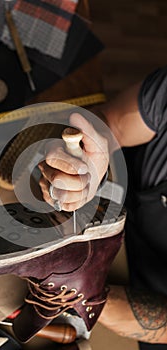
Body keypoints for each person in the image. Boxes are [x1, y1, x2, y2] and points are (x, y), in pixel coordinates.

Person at [38, 66, 167, 349]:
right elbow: (114, 124)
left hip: (146, 313)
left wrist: (78, 296)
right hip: (122, 228)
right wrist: (88, 156)